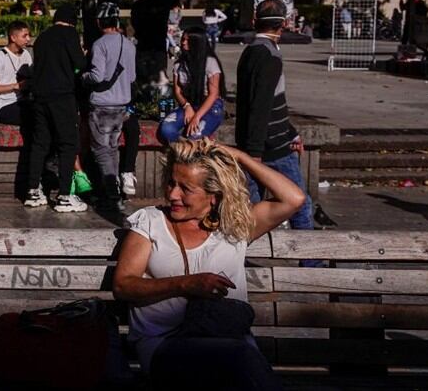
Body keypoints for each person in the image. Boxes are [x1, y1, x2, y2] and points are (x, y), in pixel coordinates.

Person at [113, 138, 298, 389]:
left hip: (227, 336)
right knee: (240, 360)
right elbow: (124, 285)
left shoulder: (235, 226)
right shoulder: (150, 221)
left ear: (213, 195)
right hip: (165, 344)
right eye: (171, 183)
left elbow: (293, 198)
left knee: (238, 361)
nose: (173, 194)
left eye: (185, 188)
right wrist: (186, 284)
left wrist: (240, 157)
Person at [236, 0, 317, 257]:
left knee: (252, 209)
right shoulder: (270, 56)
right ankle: (310, 264)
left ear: (254, 21)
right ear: (282, 25)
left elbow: (265, 104)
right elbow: (261, 107)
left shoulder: (250, 51)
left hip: (260, 143)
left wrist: (291, 131)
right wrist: (256, 152)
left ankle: (242, 258)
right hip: (272, 148)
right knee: (299, 204)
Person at [24, 5, 88, 212]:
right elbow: (80, 63)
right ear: (72, 21)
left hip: (40, 97)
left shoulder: (42, 37)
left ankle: (33, 190)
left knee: (40, 143)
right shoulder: (69, 34)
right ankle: (64, 196)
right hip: (62, 96)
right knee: (68, 144)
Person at [82, 2, 136, 212]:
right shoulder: (129, 44)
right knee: (112, 148)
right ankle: (115, 191)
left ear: (98, 22)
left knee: (102, 151)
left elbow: (98, 75)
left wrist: (84, 77)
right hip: (121, 104)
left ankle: (111, 194)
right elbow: (131, 76)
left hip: (103, 104)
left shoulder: (100, 44)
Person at [158, 30, 226, 143]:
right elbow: (177, 91)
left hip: (210, 106)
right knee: (166, 129)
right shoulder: (179, 65)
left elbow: (213, 94)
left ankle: (187, 153)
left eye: (188, 40)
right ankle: (184, 150)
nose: (183, 43)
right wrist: (186, 106)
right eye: (183, 39)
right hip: (189, 104)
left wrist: (196, 117)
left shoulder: (210, 62)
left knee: (194, 135)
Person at [130, 0, 181, 97]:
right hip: (157, 44)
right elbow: (175, 2)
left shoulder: (139, 5)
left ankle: (146, 100)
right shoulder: (166, 0)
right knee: (160, 76)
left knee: (143, 76)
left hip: (144, 44)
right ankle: (157, 100)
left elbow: (134, 22)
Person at [0, 20, 32, 125]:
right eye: (24, 36)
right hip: (3, 105)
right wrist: (15, 86)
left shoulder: (26, 55)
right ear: (13, 38)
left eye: (29, 35)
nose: (28, 39)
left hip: (22, 102)